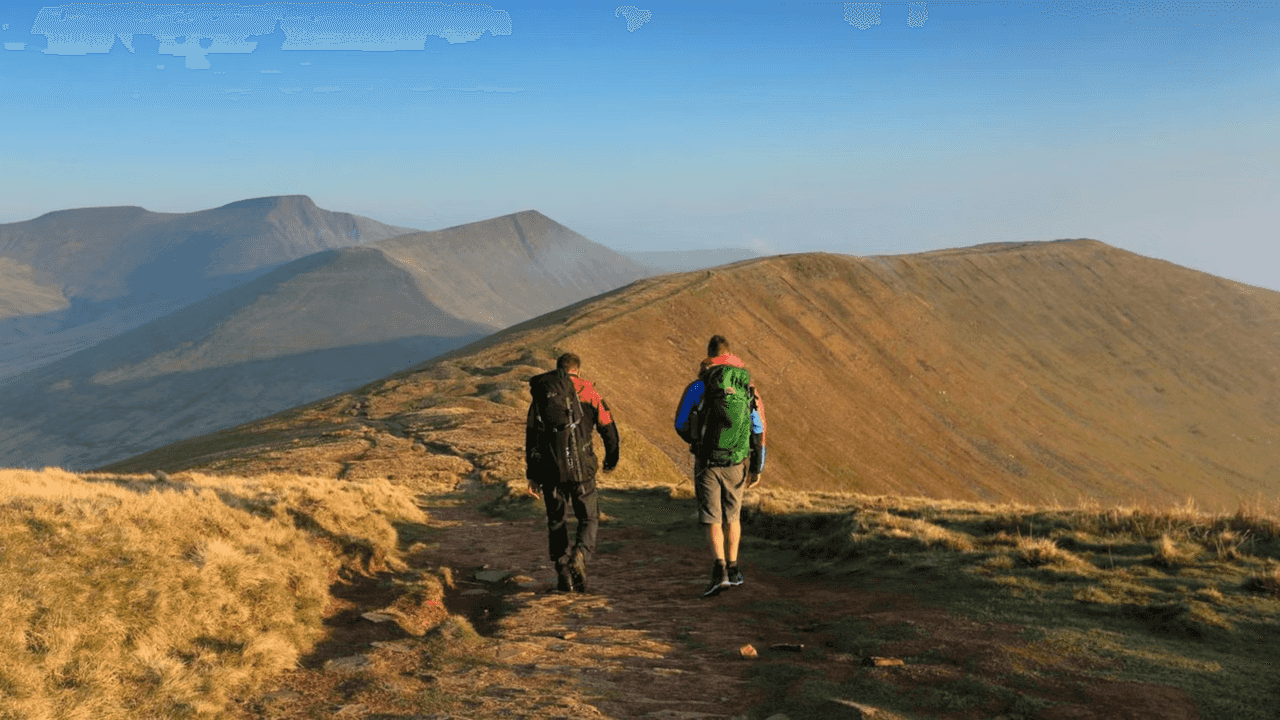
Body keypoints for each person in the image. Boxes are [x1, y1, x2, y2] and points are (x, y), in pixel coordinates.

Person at [674, 335, 767, 597]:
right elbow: (758, 430)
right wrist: (757, 467)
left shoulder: (699, 386)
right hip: (737, 461)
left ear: (709, 355)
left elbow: (680, 424)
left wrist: (697, 443)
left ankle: (719, 571)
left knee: (712, 517)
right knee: (733, 515)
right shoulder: (747, 389)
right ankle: (735, 569)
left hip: (707, 462)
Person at [525, 352, 620, 593]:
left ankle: (563, 572)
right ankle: (580, 555)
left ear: (558, 370)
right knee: (588, 517)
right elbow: (608, 427)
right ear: (577, 370)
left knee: (556, 520)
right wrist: (611, 458)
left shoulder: (542, 395)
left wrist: (533, 474)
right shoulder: (588, 392)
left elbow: (532, 435)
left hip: (550, 470)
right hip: (582, 469)